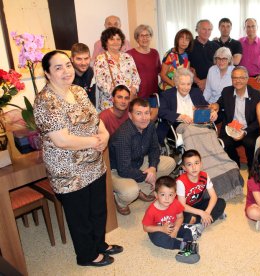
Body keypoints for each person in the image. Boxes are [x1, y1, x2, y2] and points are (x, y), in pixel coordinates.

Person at [34, 50, 122, 267]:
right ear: (47, 73)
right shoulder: (45, 100)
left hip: (94, 165)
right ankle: (86, 255)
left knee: (98, 209)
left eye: (68, 65)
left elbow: (96, 118)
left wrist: (105, 135)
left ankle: (99, 244)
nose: (66, 71)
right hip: (69, 172)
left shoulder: (78, 91)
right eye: (58, 67)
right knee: (80, 216)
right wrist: (95, 142)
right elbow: (61, 140)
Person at [109, 98, 176, 215]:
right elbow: (124, 169)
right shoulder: (123, 135)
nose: (144, 118)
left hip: (138, 161)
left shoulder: (149, 125)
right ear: (130, 115)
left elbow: (155, 149)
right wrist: (147, 176)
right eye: (138, 114)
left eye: (147, 113)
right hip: (117, 170)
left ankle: (140, 190)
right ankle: (120, 200)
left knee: (170, 163)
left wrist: (153, 168)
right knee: (130, 192)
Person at [212, 66, 260, 170]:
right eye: (235, 78)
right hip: (231, 128)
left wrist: (244, 132)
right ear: (231, 79)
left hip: (248, 129)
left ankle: (252, 168)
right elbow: (220, 103)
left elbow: (259, 120)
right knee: (222, 142)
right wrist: (216, 105)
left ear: (247, 79)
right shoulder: (227, 92)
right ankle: (235, 165)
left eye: (241, 78)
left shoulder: (256, 95)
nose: (238, 81)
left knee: (249, 142)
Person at [142, 176, 202, 264]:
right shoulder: (151, 210)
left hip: (173, 226)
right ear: (156, 195)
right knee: (160, 240)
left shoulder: (176, 203)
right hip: (157, 230)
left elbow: (180, 217)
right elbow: (146, 227)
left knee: (189, 230)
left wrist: (176, 229)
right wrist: (162, 229)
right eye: (163, 194)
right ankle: (185, 247)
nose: (167, 198)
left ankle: (185, 253)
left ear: (175, 195)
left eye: (170, 195)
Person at [157, 68, 218, 145]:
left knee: (211, 133)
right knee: (194, 132)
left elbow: (205, 106)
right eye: (182, 84)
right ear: (176, 83)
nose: (186, 87)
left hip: (199, 125)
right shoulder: (167, 95)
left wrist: (212, 112)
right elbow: (161, 111)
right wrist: (181, 116)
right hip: (177, 127)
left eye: (188, 84)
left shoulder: (196, 92)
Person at [94, 27, 140, 112]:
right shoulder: (100, 59)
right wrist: (117, 96)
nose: (116, 42)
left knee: (128, 124)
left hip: (128, 101)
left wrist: (132, 92)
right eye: (112, 39)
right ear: (106, 42)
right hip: (110, 103)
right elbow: (100, 82)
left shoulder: (128, 57)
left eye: (118, 39)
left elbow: (136, 78)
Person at [176, 149, 226, 227]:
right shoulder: (180, 182)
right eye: (189, 164)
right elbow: (182, 206)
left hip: (198, 203)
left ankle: (202, 221)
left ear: (201, 164)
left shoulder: (205, 175)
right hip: (185, 208)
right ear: (184, 168)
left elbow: (213, 196)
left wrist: (208, 212)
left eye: (196, 163)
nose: (194, 167)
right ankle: (204, 220)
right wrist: (201, 213)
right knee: (187, 218)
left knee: (221, 202)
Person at [126, 25, 161, 99]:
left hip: (154, 95)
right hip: (136, 95)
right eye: (141, 36)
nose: (145, 38)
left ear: (150, 37)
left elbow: (160, 72)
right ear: (137, 38)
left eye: (147, 35)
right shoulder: (129, 54)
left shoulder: (155, 53)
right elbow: (126, 77)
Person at [239, 18, 260, 83]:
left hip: (256, 80)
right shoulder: (239, 42)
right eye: (248, 27)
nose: (251, 29)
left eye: (253, 26)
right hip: (240, 79)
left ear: (257, 27)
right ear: (245, 28)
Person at [188, 19, 220, 92]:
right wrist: (198, 82)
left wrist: (206, 81)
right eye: (204, 29)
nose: (207, 32)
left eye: (209, 29)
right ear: (197, 30)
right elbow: (185, 67)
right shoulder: (189, 45)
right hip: (192, 87)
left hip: (213, 86)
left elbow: (220, 67)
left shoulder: (216, 47)